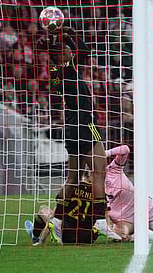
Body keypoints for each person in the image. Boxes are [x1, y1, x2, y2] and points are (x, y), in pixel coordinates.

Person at [39, 26, 107, 243]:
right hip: (86, 124)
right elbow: (85, 51)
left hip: (71, 127)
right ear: (62, 54)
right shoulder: (67, 69)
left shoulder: (57, 72)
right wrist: (68, 32)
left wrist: (60, 39)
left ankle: (57, 220)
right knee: (99, 171)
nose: (71, 50)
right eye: (67, 49)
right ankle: (101, 221)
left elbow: (81, 52)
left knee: (74, 176)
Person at [24, 171, 119, 245]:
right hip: (88, 238)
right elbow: (106, 219)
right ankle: (34, 234)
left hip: (66, 235)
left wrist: (41, 241)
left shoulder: (69, 188)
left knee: (43, 209)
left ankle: (35, 236)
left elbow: (55, 217)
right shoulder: (100, 194)